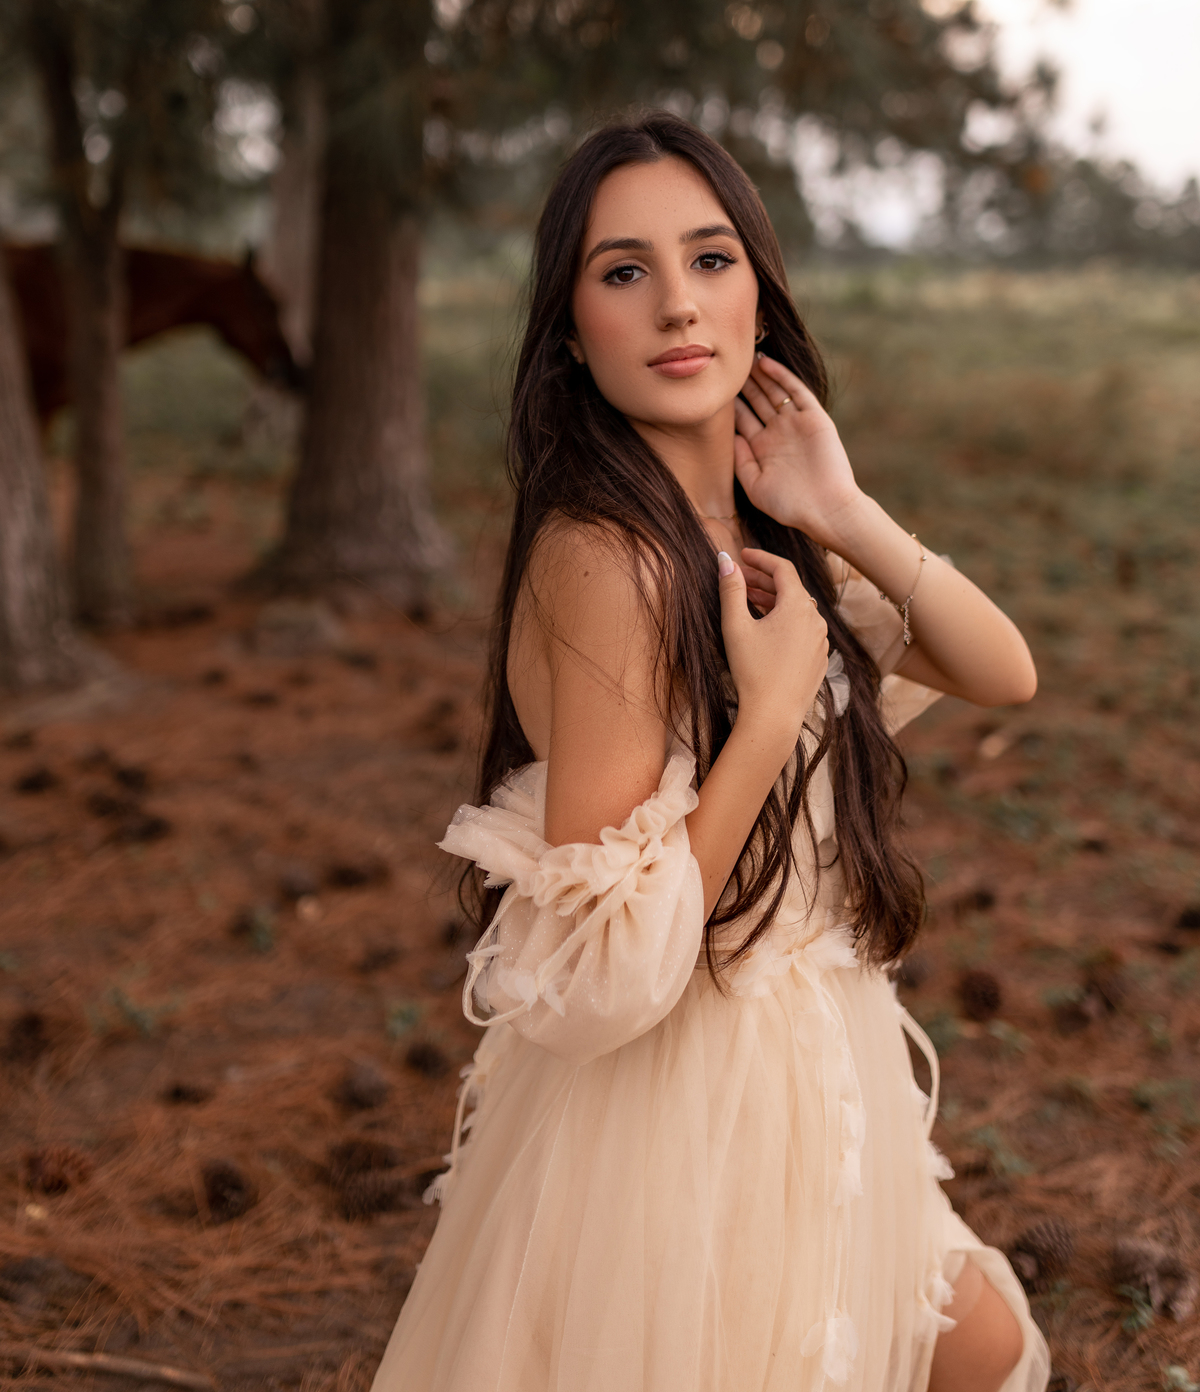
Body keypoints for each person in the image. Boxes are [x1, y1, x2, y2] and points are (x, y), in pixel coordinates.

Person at [371, 113, 1050, 1392]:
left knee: (978, 1347)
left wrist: (839, 507)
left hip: (820, 1051)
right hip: (680, 1098)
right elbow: (602, 970)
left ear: (759, 293)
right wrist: (777, 711)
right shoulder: (608, 559)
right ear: (574, 330)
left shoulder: (763, 528)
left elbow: (1001, 669)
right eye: (625, 272)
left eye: (712, 259)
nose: (679, 305)